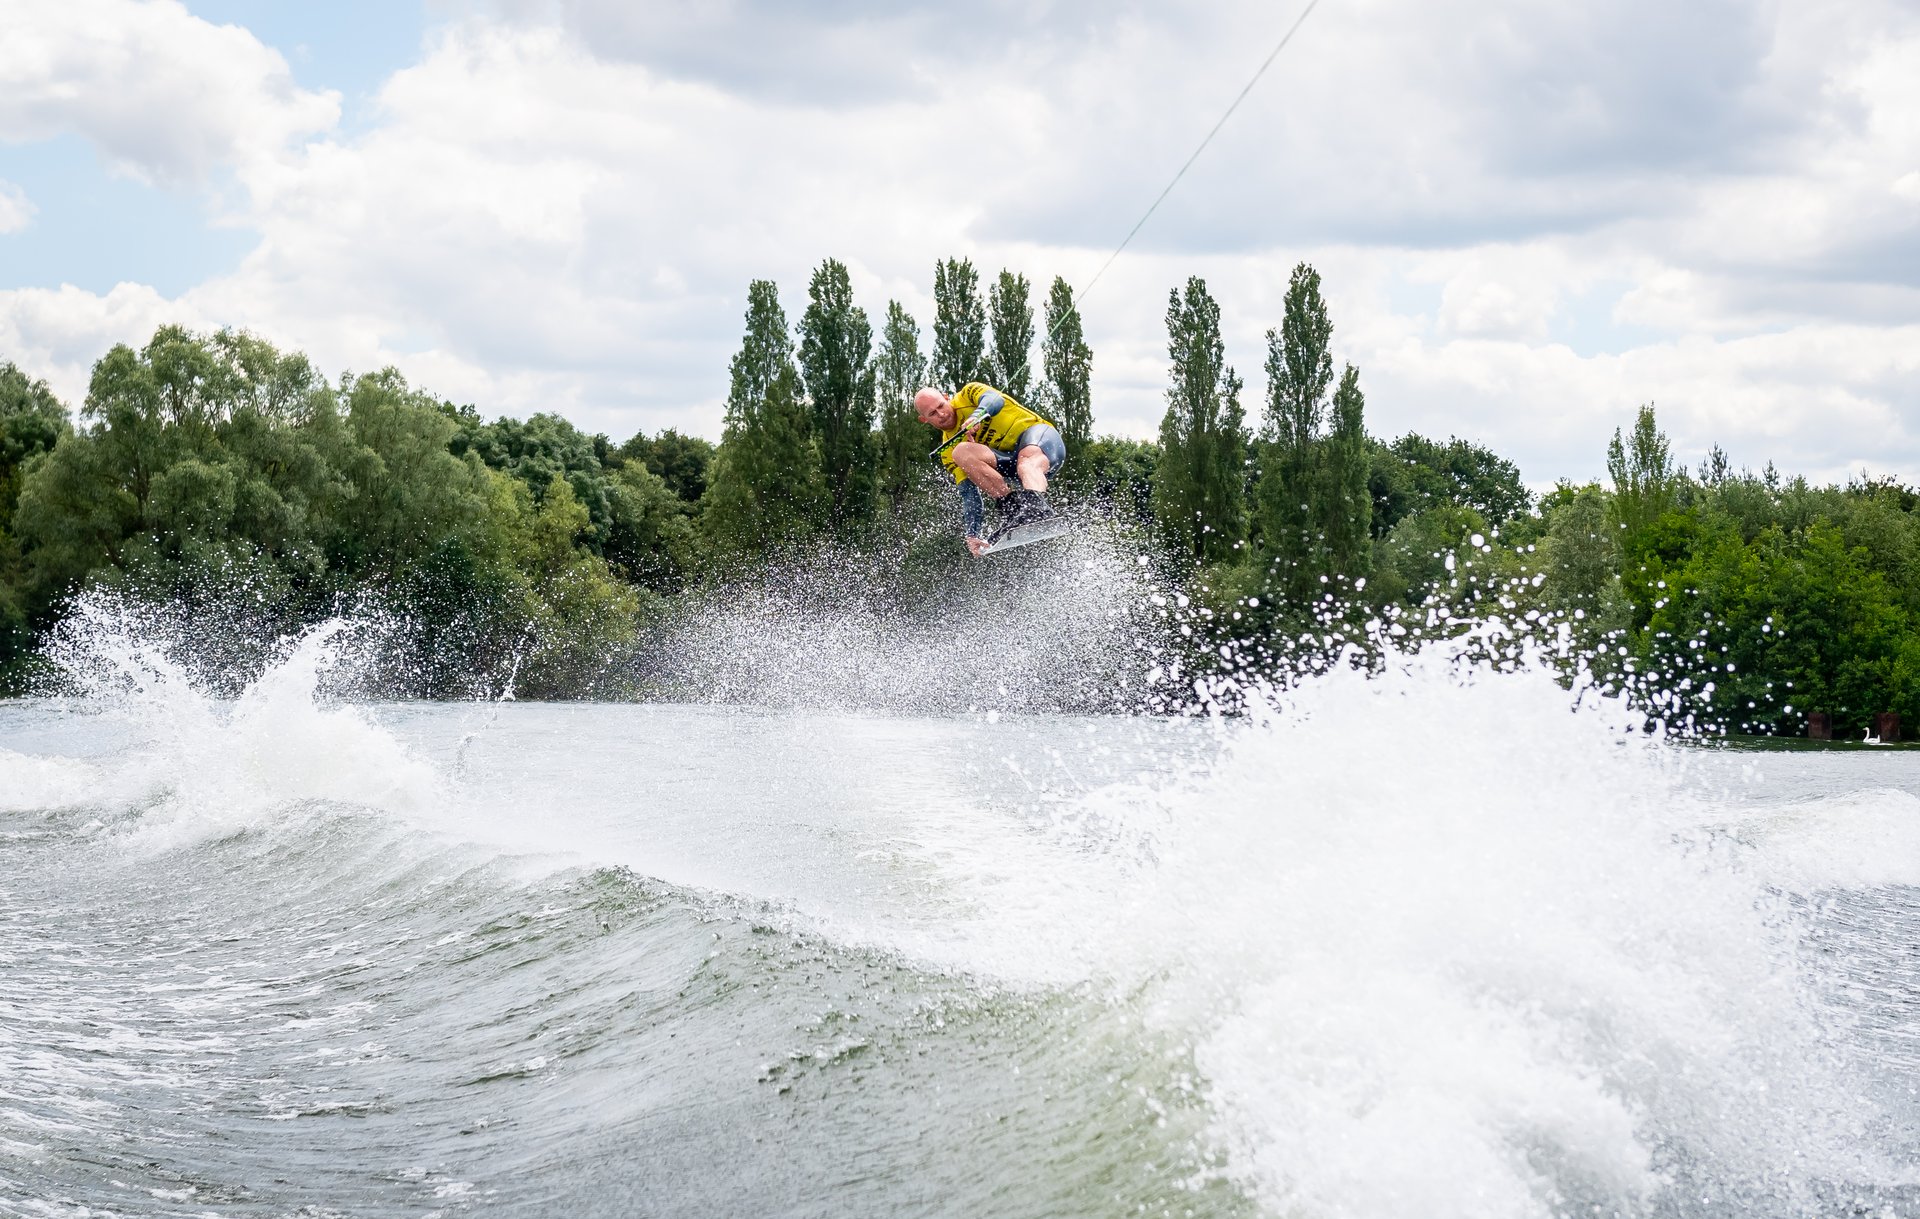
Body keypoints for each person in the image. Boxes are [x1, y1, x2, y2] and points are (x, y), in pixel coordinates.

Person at [914, 383, 1067, 556]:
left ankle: (1036, 507)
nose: (941, 414)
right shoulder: (946, 451)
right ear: (924, 420)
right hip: (1010, 464)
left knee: (1025, 462)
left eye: (941, 405)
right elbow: (969, 495)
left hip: (1040, 440)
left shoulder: (967, 394)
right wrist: (972, 534)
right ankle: (1014, 509)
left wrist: (977, 416)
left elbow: (995, 400)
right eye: (932, 414)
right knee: (961, 452)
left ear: (946, 397)